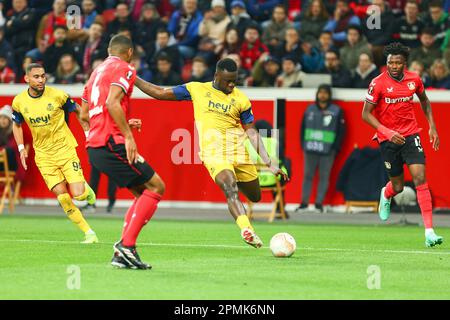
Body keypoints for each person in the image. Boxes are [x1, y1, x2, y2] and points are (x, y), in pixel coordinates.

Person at [134, 57, 288, 249]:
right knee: (230, 188)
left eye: (235, 80)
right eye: (227, 80)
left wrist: (269, 163)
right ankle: (246, 229)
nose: (232, 84)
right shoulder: (197, 89)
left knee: (255, 196)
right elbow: (159, 92)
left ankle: (236, 184)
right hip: (213, 153)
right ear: (216, 76)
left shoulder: (241, 99)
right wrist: (133, 77)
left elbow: (251, 132)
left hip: (238, 152)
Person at [81, 35, 165, 270]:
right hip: (111, 143)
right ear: (129, 52)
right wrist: (127, 136)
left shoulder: (96, 72)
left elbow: (84, 115)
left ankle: (123, 253)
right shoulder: (125, 68)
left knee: (143, 194)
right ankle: (126, 246)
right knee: (157, 187)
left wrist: (119, 125)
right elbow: (112, 103)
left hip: (96, 146)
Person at [362, 42, 443, 247]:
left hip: (410, 135)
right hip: (388, 139)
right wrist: (387, 132)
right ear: (387, 63)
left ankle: (429, 232)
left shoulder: (414, 79)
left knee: (420, 179)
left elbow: (425, 101)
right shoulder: (378, 83)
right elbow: (365, 114)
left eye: (398, 62)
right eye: (391, 62)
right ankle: (386, 193)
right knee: (398, 186)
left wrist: (432, 126)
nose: (395, 66)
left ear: (404, 63)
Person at [11, 63, 98, 243]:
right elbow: (16, 124)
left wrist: (88, 134)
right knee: (64, 198)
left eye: (43, 76)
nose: (41, 80)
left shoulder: (58, 95)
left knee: (79, 195)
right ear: (27, 79)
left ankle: (84, 189)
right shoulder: (19, 102)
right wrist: (21, 149)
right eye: (36, 77)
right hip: (43, 156)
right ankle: (89, 233)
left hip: (65, 149)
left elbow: (78, 111)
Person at [295, 84, 345, 213]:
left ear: (329, 95)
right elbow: (302, 128)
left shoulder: (337, 111)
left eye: (325, 93)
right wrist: (303, 144)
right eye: (320, 92)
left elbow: (341, 131)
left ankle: (319, 204)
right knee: (307, 175)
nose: (322, 95)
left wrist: (335, 148)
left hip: (328, 151)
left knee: (324, 176)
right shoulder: (309, 109)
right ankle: (304, 203)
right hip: (310, 148)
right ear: (317, 94)